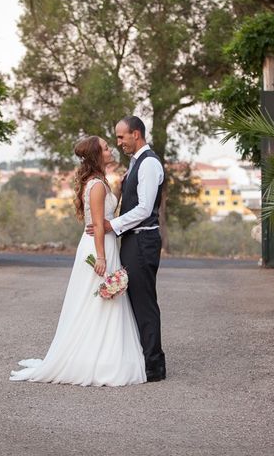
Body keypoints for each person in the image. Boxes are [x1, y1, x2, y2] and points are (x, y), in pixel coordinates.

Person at [9, 136, 146, 386]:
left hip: (105, 244)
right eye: (105, 148)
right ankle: (91, 358)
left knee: (103, 302)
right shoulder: (95, 186)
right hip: (98, 248)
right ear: (97, 155)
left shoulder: (101, 181)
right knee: (95, 301)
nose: (111, 149)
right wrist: (101, 258)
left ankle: (104, 354)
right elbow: (95, 224)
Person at [87, 115, 166, 382]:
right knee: (132, 300)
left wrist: (111, 225)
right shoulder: (135, 165)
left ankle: (154, 367)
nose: (119, 142)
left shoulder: (150, 164)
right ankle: (141, 359)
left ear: (136, 134)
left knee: (144, 302)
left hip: (143, 240)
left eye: (121, 137)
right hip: (132, 239)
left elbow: (144, 209)